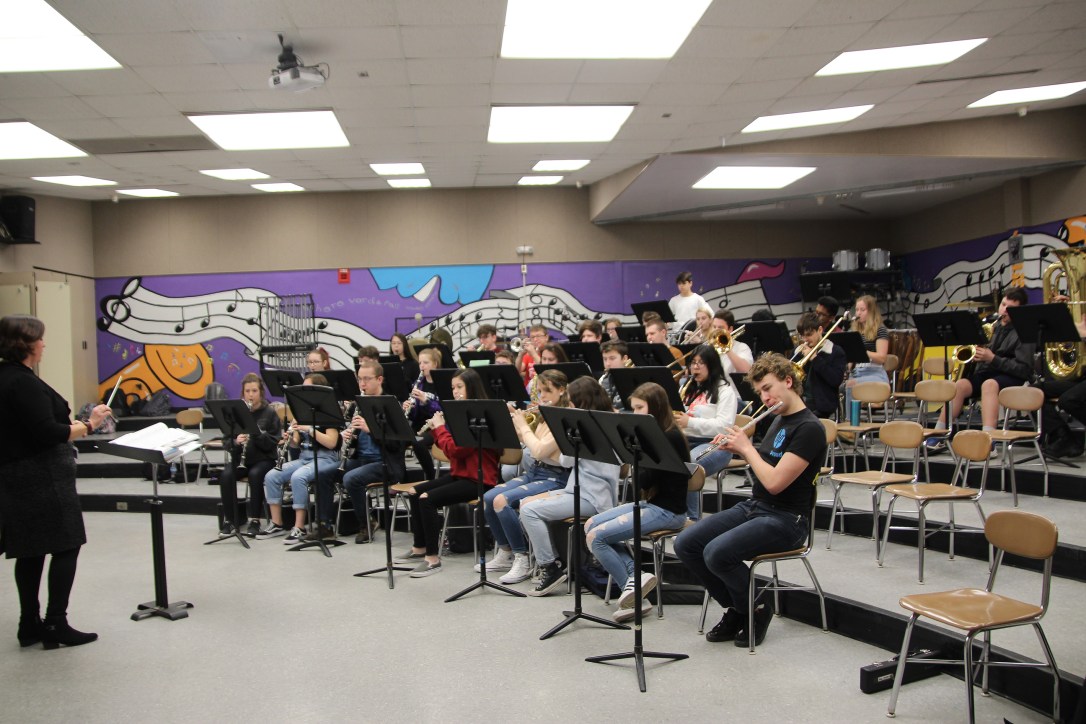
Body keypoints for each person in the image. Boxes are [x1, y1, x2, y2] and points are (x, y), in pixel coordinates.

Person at [674, 352, 826, 647]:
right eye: (760, 392)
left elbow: (775, 482)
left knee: (717, 553)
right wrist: (735, 448)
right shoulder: (778, 419)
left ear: (788, 381)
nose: (765, 397)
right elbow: (763, 467)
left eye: (768, 388)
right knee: (686, 544)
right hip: (758, 507)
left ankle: (755, 608)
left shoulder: (809, 428)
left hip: (787, 519)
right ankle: (737, 608)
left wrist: (747, 448)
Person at [0, 314, 112, 649]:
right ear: (28, 343)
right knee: (66, 545)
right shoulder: (22, 382)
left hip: (15, 475)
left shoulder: (5, 377)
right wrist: (88, 425)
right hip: (41, 476)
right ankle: (55, 623)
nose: (45, 344)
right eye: (41, 338)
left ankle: (29, 623)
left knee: (30, 550)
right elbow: (50, 432)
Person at [584, 382, 691, 623]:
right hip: (653, 505)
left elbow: (643, 482)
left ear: (656, 408)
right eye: (633, 408)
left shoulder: (668, 437)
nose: (635, 414)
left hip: (668, 511)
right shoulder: (653, 435)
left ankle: (634, 597)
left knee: (597, 537)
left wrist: (632, 455)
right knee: (590, 524)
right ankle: (636, 577)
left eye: (640, 408)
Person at [519, 377, 622, 596]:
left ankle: (551, 566)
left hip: (593, 498)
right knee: (525, 503)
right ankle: (557, 562)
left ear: (581, 403)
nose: (570, 407)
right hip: (582, 490)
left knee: (529, 511)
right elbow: (568, 461)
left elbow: (566, 461)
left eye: (572, 403)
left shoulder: (589, 426)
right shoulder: (608, 420)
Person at [394, 368, 500, 577]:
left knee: (427, 499)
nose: (455, 392)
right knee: (415, 491)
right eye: (453, 388)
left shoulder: (477, 416)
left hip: (480, 479)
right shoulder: (460, 413)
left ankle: (433, 559)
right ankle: (420, 547)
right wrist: (441, 428)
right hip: (461, 474)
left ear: (472, 388)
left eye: (460, 387)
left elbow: (455, 451)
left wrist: (439, 428)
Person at [478, 369, 572, 584]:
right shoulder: (543, 414)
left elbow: (539, 450)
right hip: (535, 472)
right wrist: (514, 420)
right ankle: (505, 552)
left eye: (548, 391)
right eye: (539, 391)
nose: (543, 396)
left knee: (502, 501)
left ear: (561, 390)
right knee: (489, 497)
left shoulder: (564, 417)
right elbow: (526, 441)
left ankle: (522, 559)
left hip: (556, 477)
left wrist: (523, 427)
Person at [927, 287, 1033, 448]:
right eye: (1003, 305)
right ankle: (939, 434)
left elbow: (1023, 369)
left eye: (1010, 308)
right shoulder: (993, 326)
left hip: (1012, 376)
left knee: (989, 385)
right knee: (960, 385)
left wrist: (992, 358)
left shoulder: (1025, 331)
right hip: (989, 373)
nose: (1004, 310)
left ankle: (988, 440)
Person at [258, 373, 340, 543]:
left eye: (306, 388)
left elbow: (332, 443)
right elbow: (296, 443)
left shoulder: (328, 411)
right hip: (305, 457)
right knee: (272, 476)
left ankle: (300, 527)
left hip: (325, 458)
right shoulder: (301, 411)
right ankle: (277, 523)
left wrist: (310, 429)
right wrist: (289, 437)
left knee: (298, 477)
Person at [336, 360, 408, 543]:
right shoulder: (358, 404)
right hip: (362, 459)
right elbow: (354, 443)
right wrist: (347, 436)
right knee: (328, 472)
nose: (362, 384)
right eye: (359, 379)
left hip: (386, 463)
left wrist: (372, 429)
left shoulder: (391, 406)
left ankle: (366, 523)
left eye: (367, 379)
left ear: (380, 379)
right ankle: (326, 524)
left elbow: (396, 445)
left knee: (351, 478)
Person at [215, 373, 283, 537]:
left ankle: (255, 520)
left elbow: (273, 442)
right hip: (242, 460)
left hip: (264, 459)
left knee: (255, 474)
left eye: (254, 391)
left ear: (261, 392)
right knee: (226, 476)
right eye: (247, 391)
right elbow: (226, 442)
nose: (251, 395)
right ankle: (231, 520)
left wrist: (257, 433)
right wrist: (236, 441)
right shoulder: (235, 413)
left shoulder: (269, 413)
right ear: (243, 393)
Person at [677, 345, 738, 511]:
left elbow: (724, 427)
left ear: (712, 365)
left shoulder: (725, 392)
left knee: (690, 465)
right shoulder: (687, 388)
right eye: (693, 363)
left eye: (701, 363)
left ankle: (691, 519)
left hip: (717, 444)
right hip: (686, 439)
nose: (695, 367)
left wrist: (689, 423)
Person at [793, 311, 847, 420]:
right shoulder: (799, 352)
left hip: (822, 404)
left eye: (809, 335)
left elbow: (835, 380)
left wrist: (815, 358)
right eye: (802, 336)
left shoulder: (835, 351)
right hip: (800, 403)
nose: (805, 340)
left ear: (820, 330)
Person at [843, 295, 890, 412]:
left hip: (875, 374)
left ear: (871, 312)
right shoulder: (853, 331)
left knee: (850, 385)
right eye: (857, 310)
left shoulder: (880, 330)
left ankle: (850, 424)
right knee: (836, 386)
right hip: (856, 372)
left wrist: (862, 352)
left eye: (862, 310)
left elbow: (882, 358)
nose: (858, 313)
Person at [403, 348, 441, 481]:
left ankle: (430, 477)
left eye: (426, 362)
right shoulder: (419, 383)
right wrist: (409, 407)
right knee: (396, 439)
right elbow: (414, 415)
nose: (422, 366)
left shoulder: (442, 383)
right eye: (420, 363)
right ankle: (401, 478)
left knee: (417, 443)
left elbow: (443, 410)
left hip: (436, 427)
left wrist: (426, 401)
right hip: (418, 425)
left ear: (435, 364)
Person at [711, 310, 753, 376]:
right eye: (714, 327)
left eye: (720, 327)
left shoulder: (742, 347)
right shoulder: (709, 348)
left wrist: (727, 349)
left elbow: (746, 370)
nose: (716, 331)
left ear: (730, 329)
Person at [599, 340, 631, 412]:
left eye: (612, 358)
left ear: (624, 359)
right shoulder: (603, 379)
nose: (608, 364)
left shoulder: (634, 379)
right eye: (605, 359)